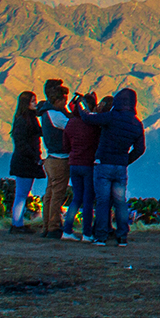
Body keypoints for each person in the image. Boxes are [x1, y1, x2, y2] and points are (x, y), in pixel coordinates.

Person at [75, 87, 146, 246]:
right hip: (120, 167)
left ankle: (101, 236)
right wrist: (126, 160)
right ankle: (122, 236)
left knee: (103, 201)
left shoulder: (111, 117)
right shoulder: (136, 124)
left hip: (104, 164)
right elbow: (140, 149)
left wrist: (80, 106)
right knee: (120, 202)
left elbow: (88, 119)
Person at [62, 92, 108, 242]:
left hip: (73, 163)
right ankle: (87, 233)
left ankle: (67, 230)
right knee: (88, 200)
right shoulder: (93, 123)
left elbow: (65, 145)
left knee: (76, 198)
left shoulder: (71, 122)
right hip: (88, 165)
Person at [37, 81, 71, 239]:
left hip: (50, 158)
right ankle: (54, 227)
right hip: (60, 159)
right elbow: (71, 127)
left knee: (49, 194)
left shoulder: (45, 113)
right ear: (57, 100)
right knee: (57, 194)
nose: (65, 103)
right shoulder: (56, 115)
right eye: (64, 100)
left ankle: (46, 225)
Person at [8, 90, 43, 234]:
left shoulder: (28, 118)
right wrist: (34, 156)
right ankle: (16, 224)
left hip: (25, 161)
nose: (35, 103)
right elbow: (21, 142)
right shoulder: (24, 120)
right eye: (33, 101)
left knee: (23, 193)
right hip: (25, 162)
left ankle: (18, 223)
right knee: (22, 194)